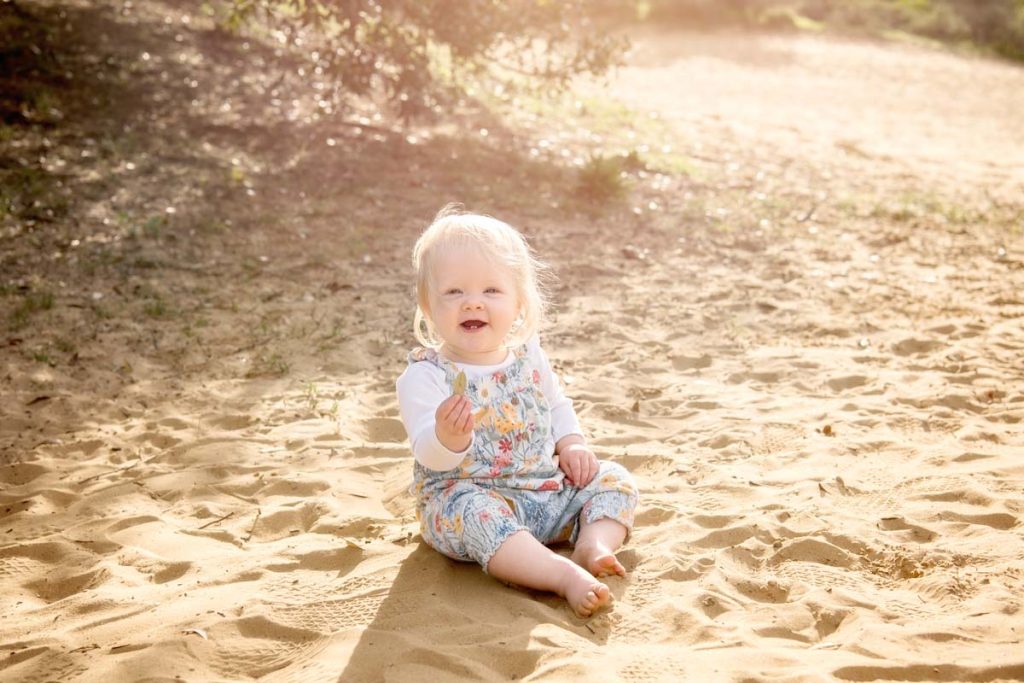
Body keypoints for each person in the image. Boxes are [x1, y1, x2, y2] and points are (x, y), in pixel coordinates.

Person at [396, 205, 639, 617]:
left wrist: (571, 443)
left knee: (613, 478)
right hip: (469, 502)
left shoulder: (528, 356)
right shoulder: (426, 375)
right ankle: (560, 574)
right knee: (476, 512)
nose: (473, 303)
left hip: (545, 492)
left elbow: (555, 403)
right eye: (454, 292)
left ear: (519, 302)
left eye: (491, 291)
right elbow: (428, 453)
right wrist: (447, 438)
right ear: (428, 304)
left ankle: (592, 544)